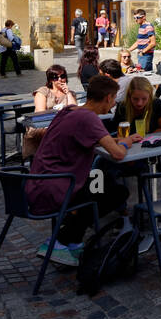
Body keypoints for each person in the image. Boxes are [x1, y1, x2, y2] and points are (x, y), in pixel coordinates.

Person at [28, 75, 133, 266]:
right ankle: (58, 241)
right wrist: (125, 144)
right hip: (56, 187)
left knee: (101, 179)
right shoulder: (88, 118)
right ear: (108, 98)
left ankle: (74, 240)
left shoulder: (70, 111)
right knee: (116, 192)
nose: (113, 105)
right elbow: (118, 154)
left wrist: (123, 140)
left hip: (39, 182)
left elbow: (99, 140)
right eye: (114, 100)